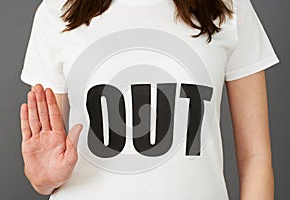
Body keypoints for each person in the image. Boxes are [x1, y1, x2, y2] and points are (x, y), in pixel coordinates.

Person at [19, 0, 280, 199]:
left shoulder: (229, 7)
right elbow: (47, 159)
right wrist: (42, 179)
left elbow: (255, 156)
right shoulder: (59, 9)